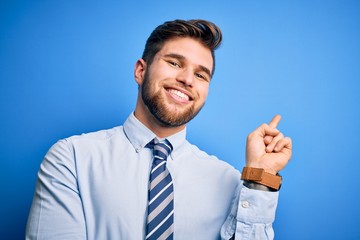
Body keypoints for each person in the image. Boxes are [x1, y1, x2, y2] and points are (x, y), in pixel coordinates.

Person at [26, 19, 292, 239]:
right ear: (141, 71)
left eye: (201, 75)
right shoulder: (71, 158)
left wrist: (261, 177)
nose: (187, 79)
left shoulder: (230, 181)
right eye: (175, 63)